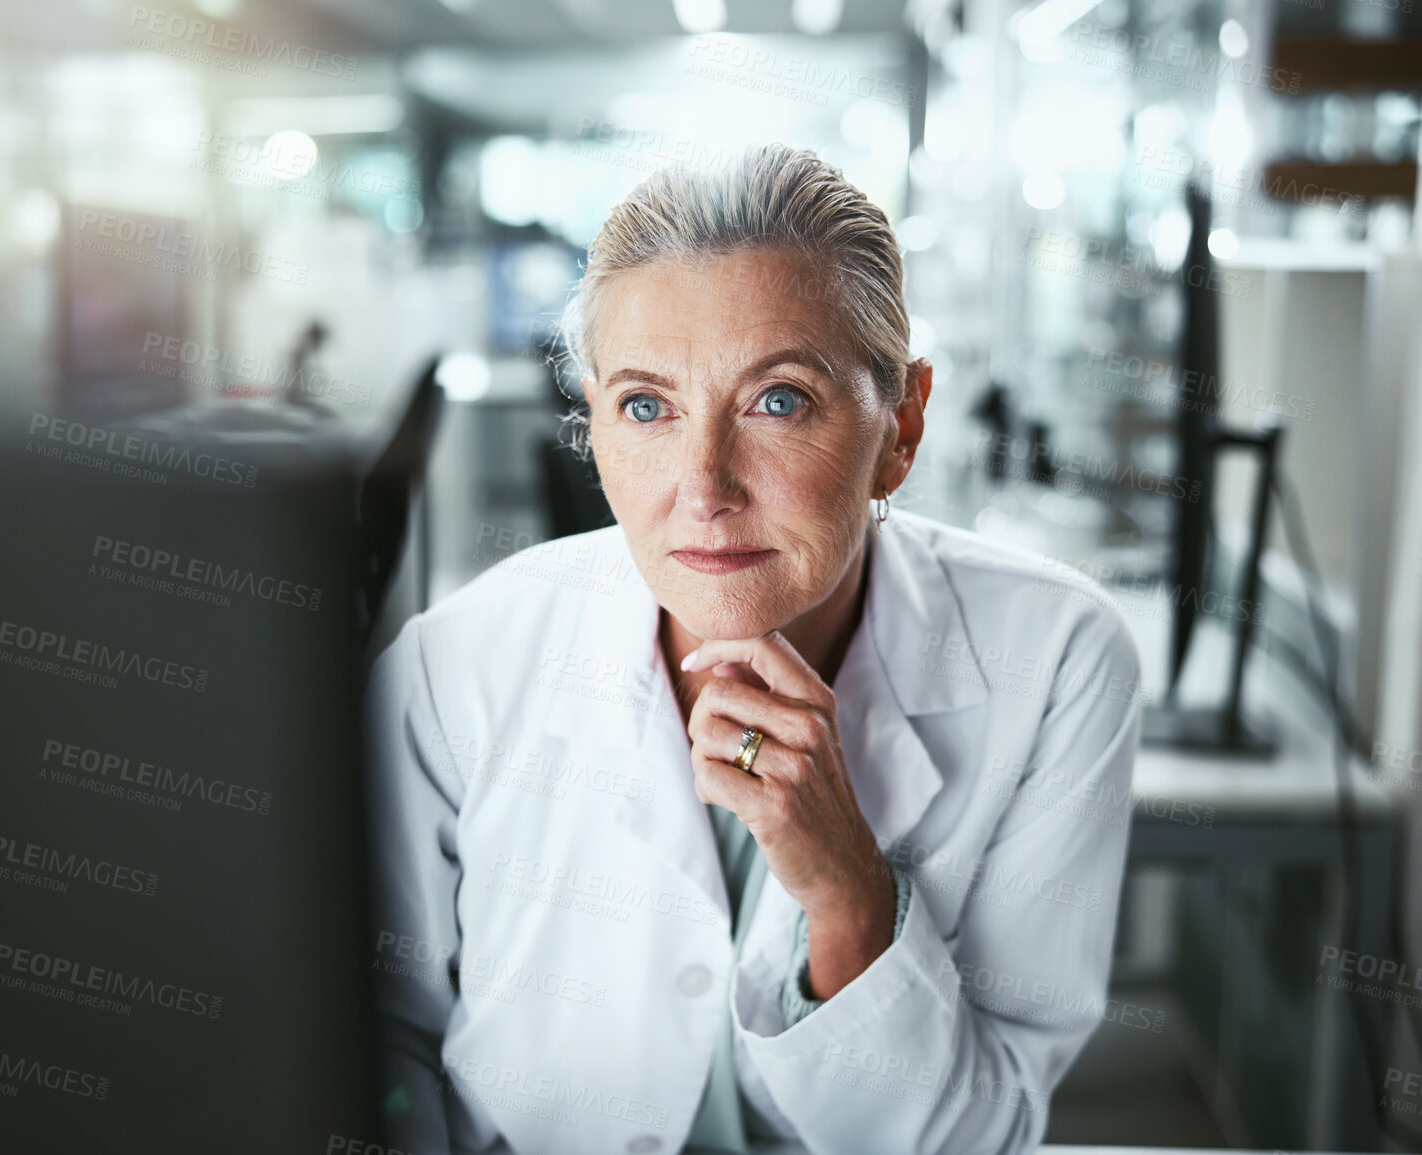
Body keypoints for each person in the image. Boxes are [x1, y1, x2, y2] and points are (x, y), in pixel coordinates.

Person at [364, 143, 1143, 1155]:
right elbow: (373, 1045)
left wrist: (848, 892)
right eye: (647, 407)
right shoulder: (457, 667)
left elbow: (982, 1134)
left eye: (779, 401)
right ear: (595, 422)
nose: (704, 485)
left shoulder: (1057, 662)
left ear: (901, 427)